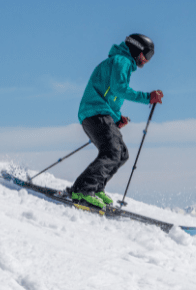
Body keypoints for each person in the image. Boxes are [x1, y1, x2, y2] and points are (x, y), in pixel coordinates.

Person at [69, 34, 163, 209]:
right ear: (137, 49)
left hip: (98, 113)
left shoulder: (121, 63)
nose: (147, 60)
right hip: (95, 112)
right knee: (112, 152)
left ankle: (96, 188)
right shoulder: (122, 61)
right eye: (147, 55)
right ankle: (82, 190)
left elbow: (110, 96)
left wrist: (117, 118)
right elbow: (119, 89)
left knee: (122, 153)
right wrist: (147, 97)